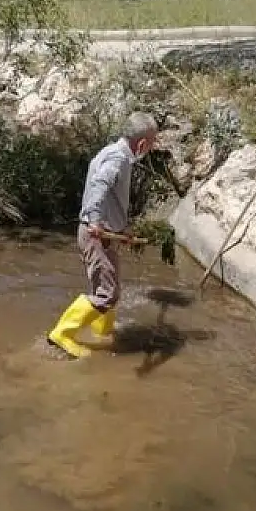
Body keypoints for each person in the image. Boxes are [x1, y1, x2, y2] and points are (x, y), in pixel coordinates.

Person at [47, 112, 159, 359]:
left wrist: (123, 228)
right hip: (96, 234)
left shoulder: (112, 152)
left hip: (108, 233)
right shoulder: (117, 160)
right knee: (108, 293)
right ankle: (62, 334)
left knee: (108, 287)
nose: (152, 147)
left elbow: (112, 199)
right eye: (152, 142)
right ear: (141, 144)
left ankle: (102, 330)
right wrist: (95, 221)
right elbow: (99, 186)